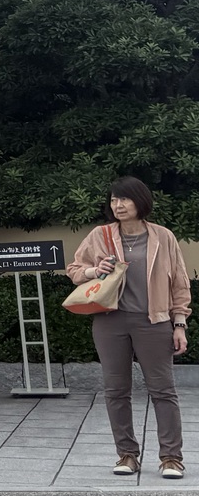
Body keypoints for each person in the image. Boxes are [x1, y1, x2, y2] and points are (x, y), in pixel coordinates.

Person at [68, 176, 188, 479]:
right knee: (116, 391)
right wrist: (95, 270)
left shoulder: (163, 237)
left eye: (124, 199)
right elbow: (74, 270)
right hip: (110, 321)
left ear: (140, 201)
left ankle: (171, 458)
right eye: (113, 199)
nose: (118, 205)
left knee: (163, 391)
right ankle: (127, 454)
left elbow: (179, 283)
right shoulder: (100, 235)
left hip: (154, 321)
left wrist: (179, 324)